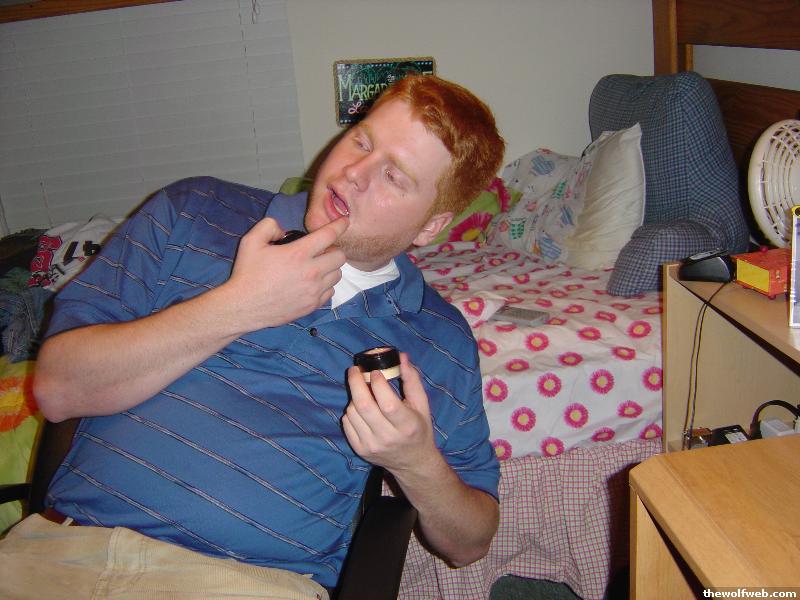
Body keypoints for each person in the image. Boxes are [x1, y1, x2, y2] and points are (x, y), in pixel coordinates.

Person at [0, 74, 505, 600]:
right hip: (63, 553)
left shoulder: (438, 337)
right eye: (361, 141)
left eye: (393, 176)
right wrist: (237, 306)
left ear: (430, 226)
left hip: (249, 583)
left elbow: (469, 542)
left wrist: (416, 462)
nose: (353, 174)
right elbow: (58, 389)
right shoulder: (192, 209)